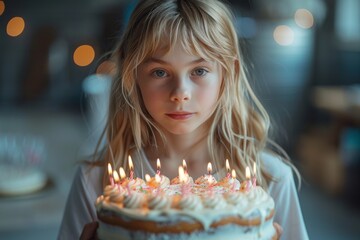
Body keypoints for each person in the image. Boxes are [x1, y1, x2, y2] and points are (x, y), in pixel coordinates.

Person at [58, 0, 309, 239]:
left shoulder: (270, 179)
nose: (180, 93)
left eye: (199, 71)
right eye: (159, 72)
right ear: (132, 76)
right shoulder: (96, 181)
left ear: (228, 74)